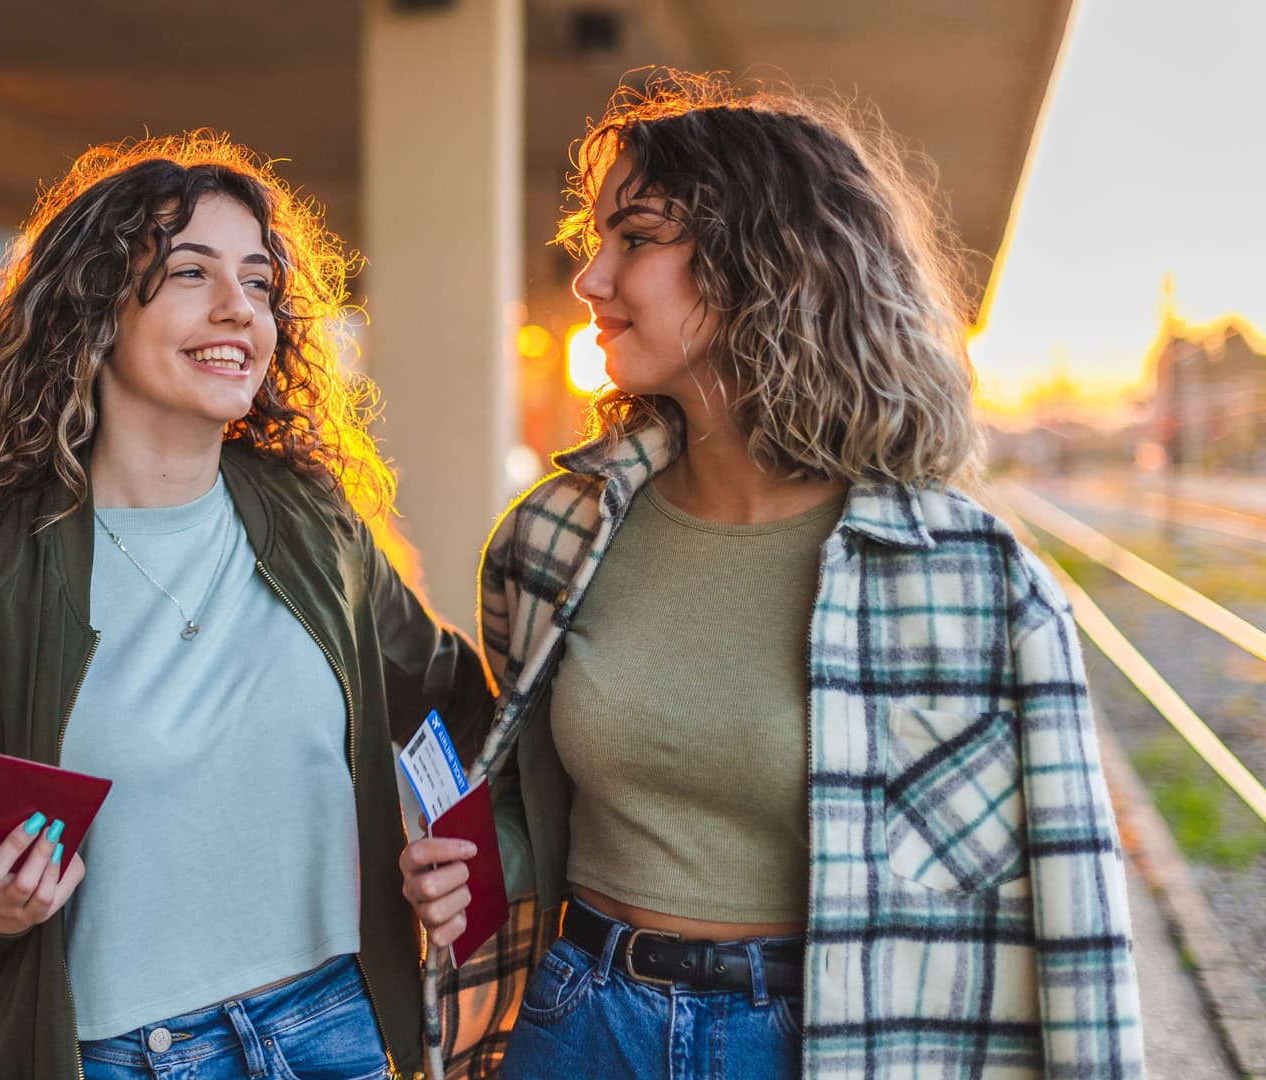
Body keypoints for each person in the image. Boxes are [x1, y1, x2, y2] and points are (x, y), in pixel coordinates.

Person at [400, 72, 1144, 1078]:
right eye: (596, 241)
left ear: (765, 261)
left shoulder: (973, 584)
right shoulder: (551, 541)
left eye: (637, 237)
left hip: (829, 1045)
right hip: (577, 1022)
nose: (590, 278)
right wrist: (470, 869)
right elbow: (538, 808)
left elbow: (1075, 924)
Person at [0, 132, 493, 1080]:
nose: (238, 308)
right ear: (94, 310)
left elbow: (458, 702)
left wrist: (465, 861)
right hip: (115, 1058)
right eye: (191, 272)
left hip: (340, 1032)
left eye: (257, 281)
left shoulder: (315, 525)